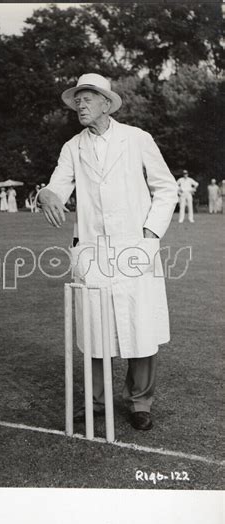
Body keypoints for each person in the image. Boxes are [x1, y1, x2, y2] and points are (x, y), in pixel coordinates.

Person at [37, 73, 177, 431]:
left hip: (136, 246)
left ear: (106, 103)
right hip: (92, 251)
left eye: (87, 99)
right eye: (77, 101)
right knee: (95, 330)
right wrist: (46, 195)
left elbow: (166, 188)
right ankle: (97, 402)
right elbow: (57, 186)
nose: (80, 105)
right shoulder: (73, 146)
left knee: (140, 325)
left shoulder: (136, 139)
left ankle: (140, 402)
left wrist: (149, 234)